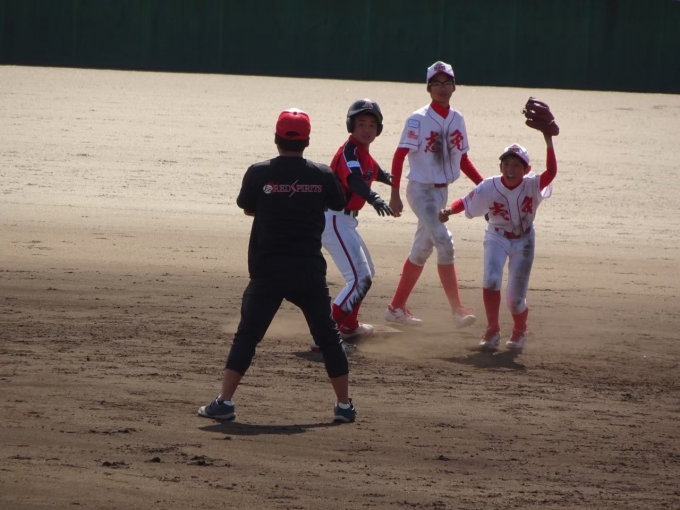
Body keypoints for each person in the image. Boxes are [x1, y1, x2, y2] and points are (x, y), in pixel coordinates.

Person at [198, 108, 356, 423]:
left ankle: (224, 402)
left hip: (267, 270)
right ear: (307, 141)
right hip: (308, 271)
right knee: (328, 338)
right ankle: (344, 407)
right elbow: (338, 203)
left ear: (276, 138)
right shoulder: (322, 174)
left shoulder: (258, 172)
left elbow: (247, 205)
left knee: (247, 336)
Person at [385, 61, 484, 327]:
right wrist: (394, 194)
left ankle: (395, 308)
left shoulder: (457, 119)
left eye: (447, 83)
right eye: (436, 83)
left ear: (454, 86)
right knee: (445, 242)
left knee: (421, 250)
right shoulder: (417, 118)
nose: (442, 88)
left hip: (441, 194)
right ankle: (458, 311)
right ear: (428, 88)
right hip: (420, 191)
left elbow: (463, 160)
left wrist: (485, 188)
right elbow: (399, 155)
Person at [438, 129, 557, 351]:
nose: (510, 170)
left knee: (515, 300)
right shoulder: (489, 186)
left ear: (526, 169)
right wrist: (448, 210)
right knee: (491, 280)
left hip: (524, 241)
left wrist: (548, 140)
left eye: (516, 165)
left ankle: (520, 330)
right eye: (506, 164)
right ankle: (492, 330)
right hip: (497, 236)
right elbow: (465, 201)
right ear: (500, 166)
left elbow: (551, 172)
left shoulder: (532, 184)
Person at [310, 99, 394, 351]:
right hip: (335, 219)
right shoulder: (349, 153)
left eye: (372, 124)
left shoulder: (362, 152)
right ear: (351, 126)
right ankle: (323, 338)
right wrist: (374, 197)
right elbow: (356, 180)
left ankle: (349, 326)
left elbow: (374, 171)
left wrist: (391, 179)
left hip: (345, 221)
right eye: (361, 123)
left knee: (367, 274)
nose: (367, 129)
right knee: (359, 279)